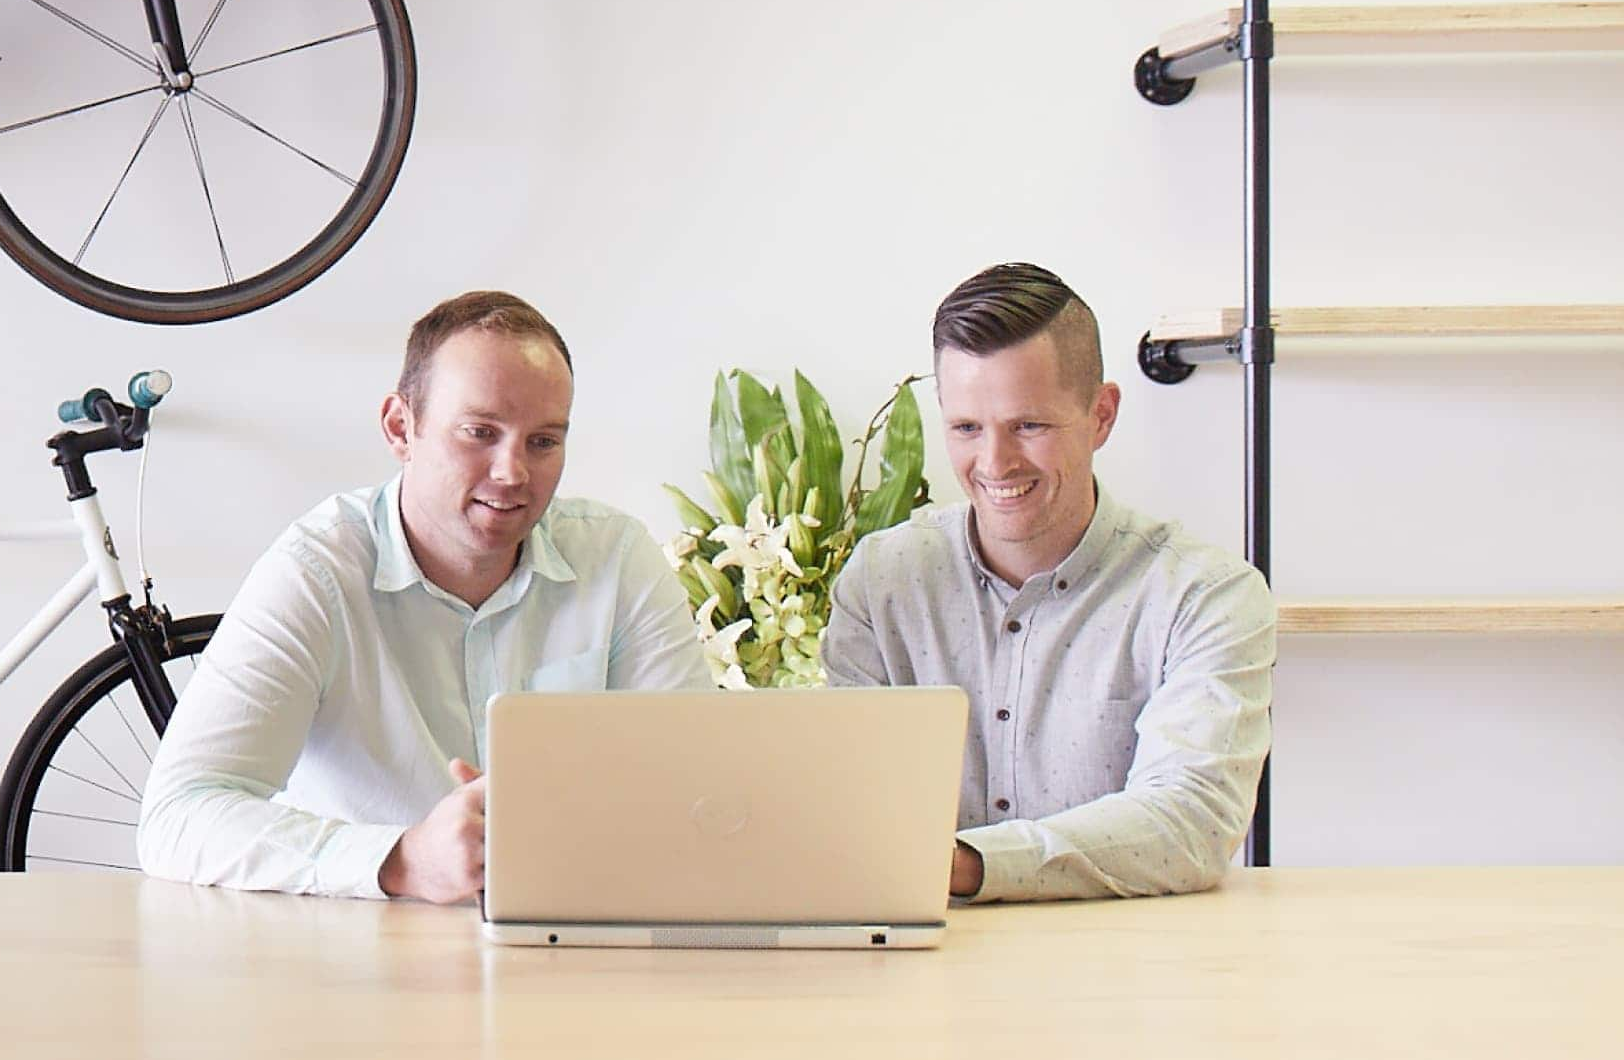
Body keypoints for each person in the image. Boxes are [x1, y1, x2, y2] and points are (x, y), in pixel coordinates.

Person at [138, 291, 710, 902]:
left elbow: (701, 783)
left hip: (567, 943)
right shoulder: (316, 570)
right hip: (356, 956)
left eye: (543, 442)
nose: (513, 472)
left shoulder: (616, 558)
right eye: (479, 432)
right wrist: (402, 858)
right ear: (400, 428)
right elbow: (178, 817)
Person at [824, 262, 1275, 902]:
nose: (995, 463)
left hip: (1136, 981)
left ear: (1101, 415)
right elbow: (839, 803)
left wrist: (967, 864)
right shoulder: (881, 584)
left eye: (1028, 426)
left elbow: (1190, 823)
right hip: (917, 969)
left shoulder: (1203, 596)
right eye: (966, 429)